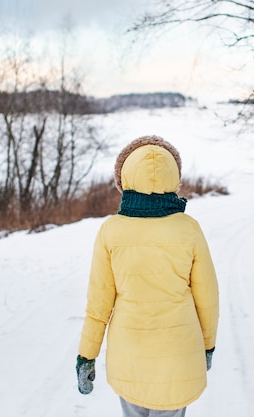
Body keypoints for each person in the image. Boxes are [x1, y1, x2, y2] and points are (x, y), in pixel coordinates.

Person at [76, 135, 220, 417]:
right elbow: (208, 299)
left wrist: (86, 355)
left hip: (130, 358)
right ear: (173, 177)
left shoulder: (111, 231)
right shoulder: (189, 229)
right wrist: (207, 346)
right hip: (179, 356)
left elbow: (98, 306)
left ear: (125, 178)